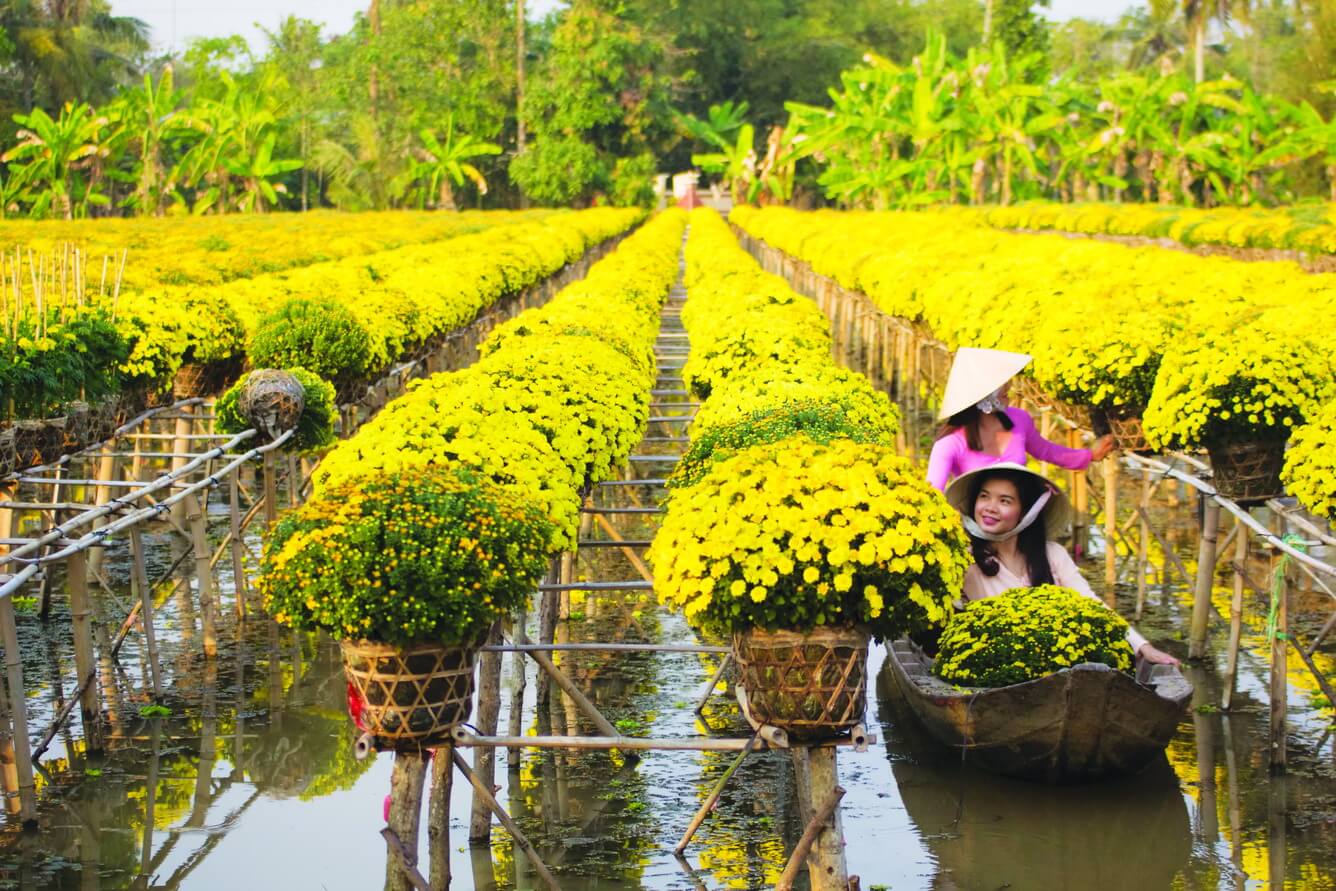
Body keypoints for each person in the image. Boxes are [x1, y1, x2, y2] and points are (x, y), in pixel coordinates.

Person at [944, 462, 1179, 666]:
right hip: (995, 664)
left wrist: (1142, 647)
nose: (990, 507)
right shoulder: (964, 560)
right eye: (984, 496)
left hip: (1056, 662)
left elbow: (1092, 604)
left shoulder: (1052, 554)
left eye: (1005, 501)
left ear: (1025, 511)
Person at [927, 347, 1114, 492]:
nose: (1009, 386)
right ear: (981, 394)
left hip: (1017, 519)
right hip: (975, 527)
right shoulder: (950, 443)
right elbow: (934, 492)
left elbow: (1046, 450)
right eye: (1000, 384)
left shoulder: (1019, 419)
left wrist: (1090, 455)